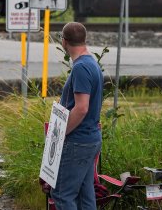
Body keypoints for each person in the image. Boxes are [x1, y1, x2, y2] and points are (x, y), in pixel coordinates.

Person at [50, 22, 104, 210]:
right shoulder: (91, 64)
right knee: (84, 194)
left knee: (62, 194)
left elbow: (81, 108)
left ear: (64, 42)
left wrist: (60, 133)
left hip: (78, 141)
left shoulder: (81, 68)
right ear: (84, 39)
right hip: (90, 138)